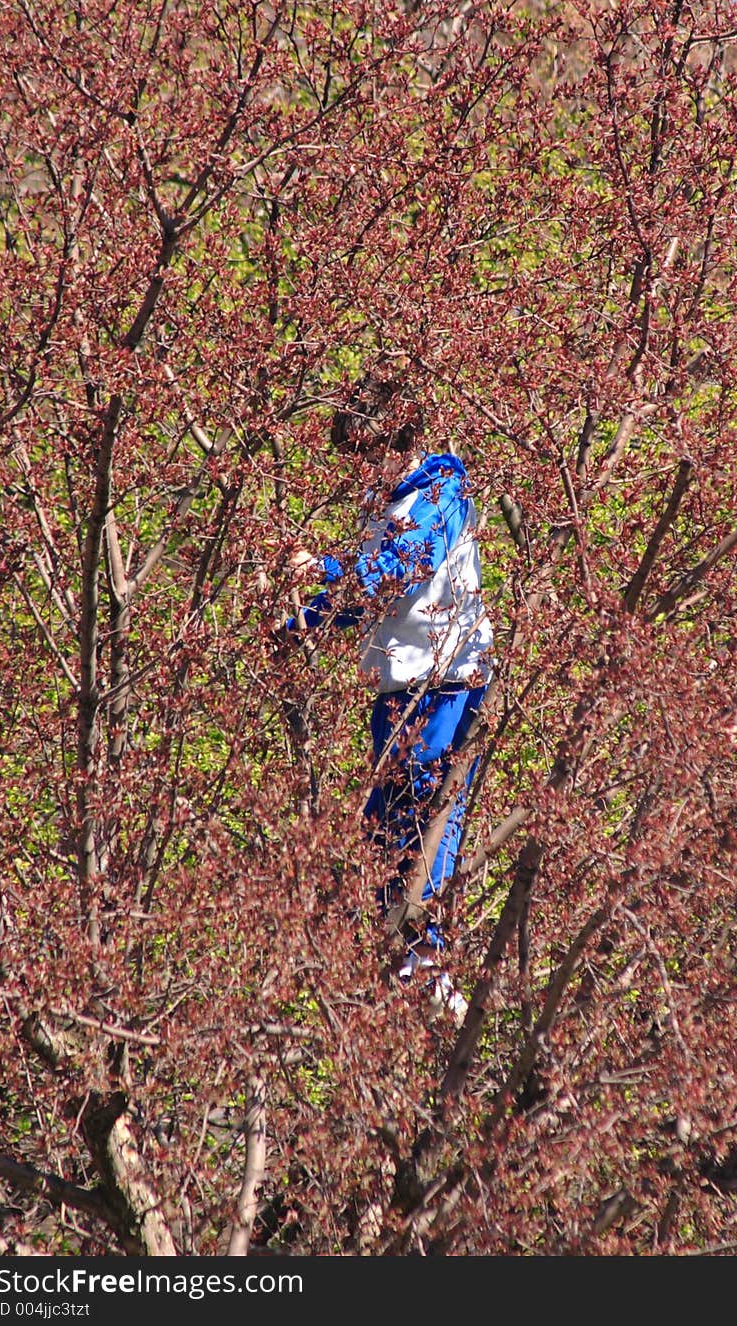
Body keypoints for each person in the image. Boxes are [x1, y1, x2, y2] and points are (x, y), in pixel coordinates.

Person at [285, 376, 493, 1020]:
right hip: (404, 688)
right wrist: (309, 596)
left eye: (363, 450)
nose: (355, 468)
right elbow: (370, 578)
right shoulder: (393, 504)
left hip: (442, 684)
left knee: (420, 815)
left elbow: (388, 576)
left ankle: (425, 959)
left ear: (395, 440)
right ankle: (404, 958)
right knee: (385, 824)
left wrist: (313, 599)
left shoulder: (438, 495)